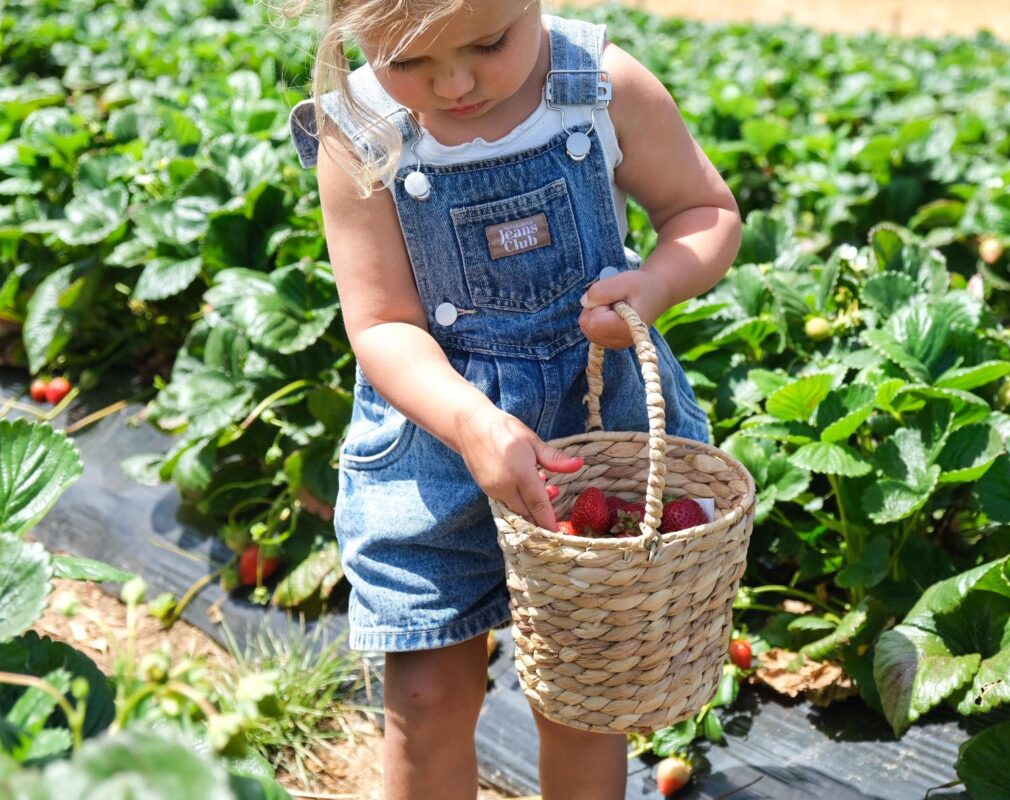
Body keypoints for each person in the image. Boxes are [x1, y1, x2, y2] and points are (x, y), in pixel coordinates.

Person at [287, 1, 741, 798]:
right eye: (410, 62)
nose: (456, 82)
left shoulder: (597, 87)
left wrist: (657, 283)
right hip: (434, 442)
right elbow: (383, 322)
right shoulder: (358, 130)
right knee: (425, 697)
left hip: (593, 430)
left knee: (582, 697)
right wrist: (471, 421)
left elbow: (704, 211)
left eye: (489, 43)